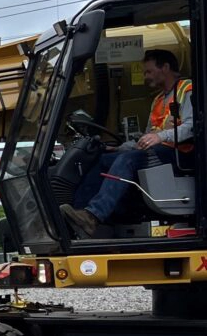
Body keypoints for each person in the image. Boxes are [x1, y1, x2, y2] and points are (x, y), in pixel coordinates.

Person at [63, 49, 193, 237]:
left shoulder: (187, 89)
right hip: (158, 153)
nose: (146, 77)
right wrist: (118, 147)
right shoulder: (158, 100)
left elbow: (192, 127)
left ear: (165, 67)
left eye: (149, 71)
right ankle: (80, 216)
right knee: (103, 160)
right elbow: (147, 138)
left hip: (180, 156)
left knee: (129, 160)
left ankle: (94, 215)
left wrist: (161, 137)